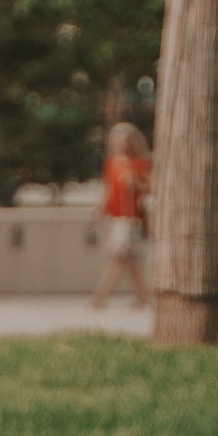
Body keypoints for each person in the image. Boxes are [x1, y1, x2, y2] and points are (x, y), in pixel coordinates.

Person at [89, 121, 150, 310]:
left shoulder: (141, 163)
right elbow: (107, 189)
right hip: (115, 218)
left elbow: (151, 188)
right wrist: (98, 211)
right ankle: (141, 297)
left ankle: (100, 298)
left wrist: (135, 183)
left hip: (131, 219)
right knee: (129, 261)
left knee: (117, 257)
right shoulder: (112, 163)